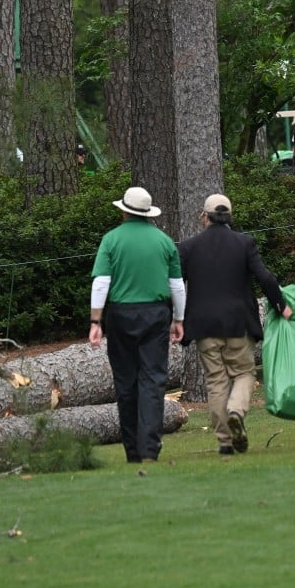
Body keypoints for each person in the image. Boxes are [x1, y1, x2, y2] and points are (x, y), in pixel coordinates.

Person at [179, 194, 292, 455]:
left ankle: (225, 441)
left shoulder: (188, 247)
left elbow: (174, 284)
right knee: (243, 373)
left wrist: (174, 319)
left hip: (204, 325)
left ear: (204, 216)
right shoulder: (244, 243)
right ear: (229, 217)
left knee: (216, 381)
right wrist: (281, 305)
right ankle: (236, 411)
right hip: (238, 322)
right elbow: (264, 276)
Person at [89, 187, 186, 464]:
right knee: (153, 380)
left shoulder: (111, 240)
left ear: (123, 210)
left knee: (126, 382)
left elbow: (101, 283)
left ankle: (132, 449)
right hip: (156, 314)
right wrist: (179, 319)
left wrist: (96, 321)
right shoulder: (164, 241)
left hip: (120, 314)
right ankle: (150, 448)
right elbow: (177, 286)